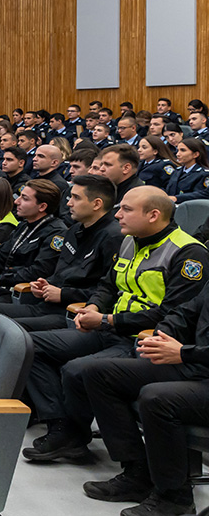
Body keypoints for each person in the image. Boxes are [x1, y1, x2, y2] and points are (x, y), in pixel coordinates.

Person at [22, 187, 209, 464]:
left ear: (154, 215)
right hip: (109, 327)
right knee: (29, 345)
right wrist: (94, 307)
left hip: (138, 337)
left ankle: (127, 462)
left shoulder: (189, 254)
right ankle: (63, 428)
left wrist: (108, 320)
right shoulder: (130, 240)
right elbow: (108, 285)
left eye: (126, 210)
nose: (117, 214)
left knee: (79, 371)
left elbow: (172, 313)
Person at [75, 292, 209, 515]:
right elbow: (185, 311)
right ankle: (138, 473)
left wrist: (185, 353)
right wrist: (163, 333)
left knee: (157, 398)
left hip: (195, 362)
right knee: (98, 373)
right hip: (197, 365)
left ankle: (175, 497)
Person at [0, 175, 122, 332]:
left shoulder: (113, 238)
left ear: (96, 204)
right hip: (44, 305)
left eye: (75, 197)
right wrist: (44, 285)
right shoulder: (75, 230)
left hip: (72, 313)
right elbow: (59, 273)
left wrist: (63, 294)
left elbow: (107, 290)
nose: (68, 203)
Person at [100, 144, 144, 211]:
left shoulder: (136, 196)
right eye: (101, 164)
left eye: (108, 165)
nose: (101, 169)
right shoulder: (111, 187)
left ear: (126, 168)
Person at [165, 138, 209, 203]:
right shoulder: (177, 171)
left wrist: (177, 198)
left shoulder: (204, 174)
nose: (177, 154)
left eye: (183, 150)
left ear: (195, 154)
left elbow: (203, 194)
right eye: (177, 150)